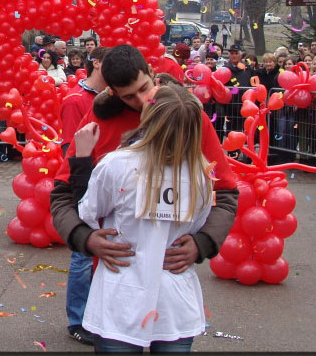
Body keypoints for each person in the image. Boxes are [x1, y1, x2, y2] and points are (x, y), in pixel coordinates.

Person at [50, 46, 238, 329]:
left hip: (170, 286)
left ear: (152, 73)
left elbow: (225, 192)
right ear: (111, 92)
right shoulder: (99, 122)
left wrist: (204, 242)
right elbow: (63, 193)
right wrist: (82, 237)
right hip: (116, 282)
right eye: (128, 96)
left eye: (144, 89)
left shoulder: (187, 117)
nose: (140, 101)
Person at [77, 84, 214, 352]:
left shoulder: (117, 164)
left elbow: (88, 213)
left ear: (148, 118)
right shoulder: (202, 174)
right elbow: (197, 224)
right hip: (175, 298)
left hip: (121, 293)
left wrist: (82, 160)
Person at [59, 46, 108, 346]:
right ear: (98, 64)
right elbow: (70, 148)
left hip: (112, 185)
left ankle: (99, 315)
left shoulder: (114, 99)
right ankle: (78, 319)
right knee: (82, 255)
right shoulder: (76, 100)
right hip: (84, 182)